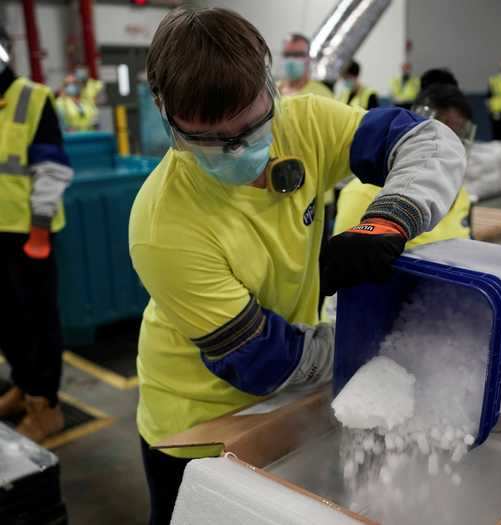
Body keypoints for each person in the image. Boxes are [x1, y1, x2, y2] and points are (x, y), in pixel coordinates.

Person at [130, 7, 465, 524]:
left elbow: (428, 142)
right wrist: (366, 348)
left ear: (269, 87)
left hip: (290, 385)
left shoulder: (304, 123)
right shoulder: (162, 226)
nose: (241, 153)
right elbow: (261, 361)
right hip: (195, 420)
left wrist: (388, 220)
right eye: (211, 141)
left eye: (250, 126)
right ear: (166, 116)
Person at [0, 22, 73, 441]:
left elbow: (51, 169)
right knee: (6, 318)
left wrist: (40, 231)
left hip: (29, 234)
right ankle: (24, 384)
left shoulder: (32, 98)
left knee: (37, 319)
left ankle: (46, 404)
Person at [334, 83, 473, 247]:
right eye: (440, 134)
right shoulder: (365, 193)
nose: (448, 146)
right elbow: (347, 263)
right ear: (418, 131)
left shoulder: (458, 193)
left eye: (458, 135)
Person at [278, 33, 333, 98]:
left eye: (298, 54)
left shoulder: (323, 95)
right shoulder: (273, 91)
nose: (291, 59)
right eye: (287, 54)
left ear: (309, 58)